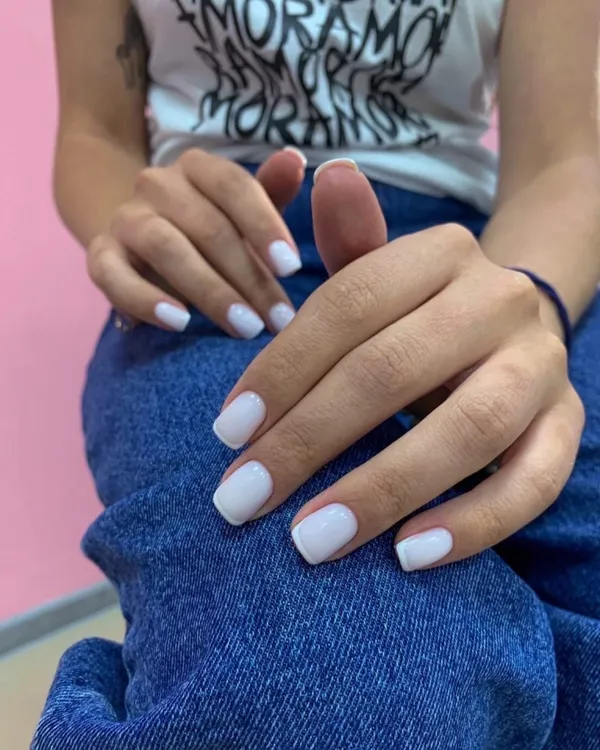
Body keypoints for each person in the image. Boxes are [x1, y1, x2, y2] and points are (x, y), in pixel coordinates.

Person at [33, 1, 600, 748]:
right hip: (214, 267)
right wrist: (133, 217)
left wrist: (527, 304)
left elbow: (561, 160)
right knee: (345, 689)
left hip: (485, 257)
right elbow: (94, 133)